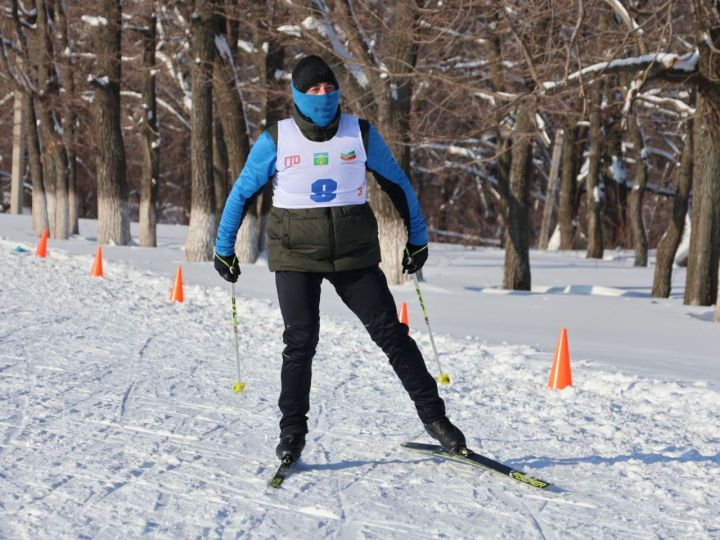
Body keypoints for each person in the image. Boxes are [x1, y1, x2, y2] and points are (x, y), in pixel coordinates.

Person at [213, 55, 466, 462]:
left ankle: (436, 420)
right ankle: (292, 432)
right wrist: (223, 247)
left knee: (392, 335)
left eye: (329, 87)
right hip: (295, 254)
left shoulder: (359, 134)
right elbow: (241, 193)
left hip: (353, 254)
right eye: (313, 89)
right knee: (300, 342)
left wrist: (417, 239)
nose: (323, 95)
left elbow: (398, 185)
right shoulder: (276, 139)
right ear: (297, 94)